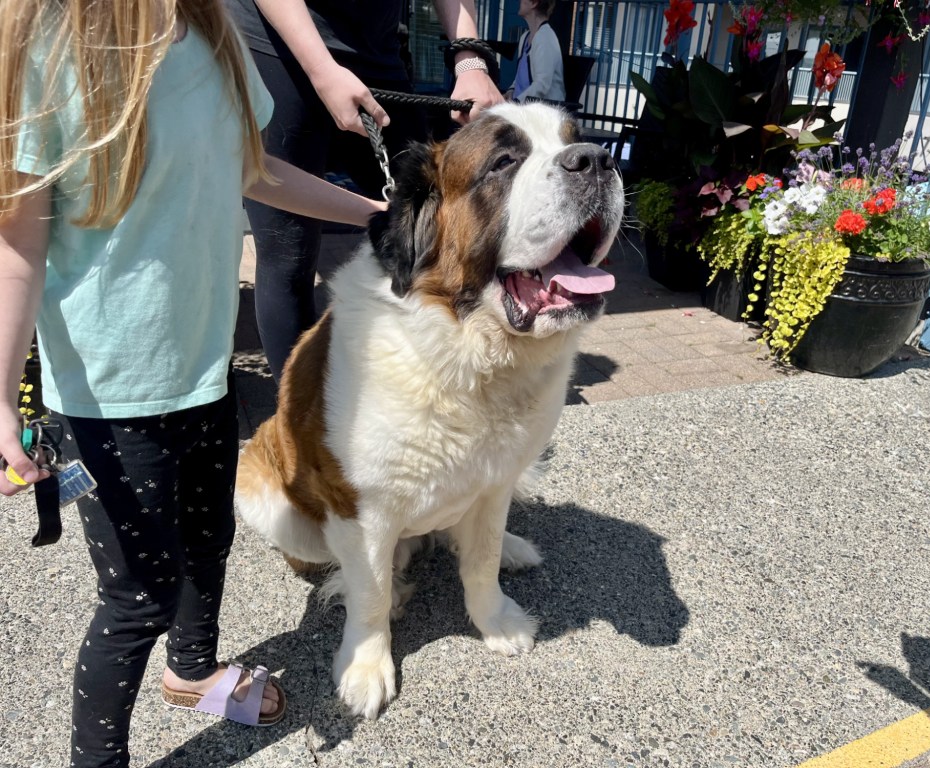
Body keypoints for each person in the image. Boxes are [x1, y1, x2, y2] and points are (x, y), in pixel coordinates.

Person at [0, 1, 387, 766]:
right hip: (105, 397)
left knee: (209, 540)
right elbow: (17, 247)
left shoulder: (215, 36)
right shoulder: (47, 52)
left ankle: (193, 671)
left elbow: (257, 167)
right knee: (137, 595)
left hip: (204, 368)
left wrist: (379, 215)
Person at [226, 0, 505, 380]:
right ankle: (300, 418)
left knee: (442, 230)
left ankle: (443, 380)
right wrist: (323, 70)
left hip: (377, 51)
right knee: (289, 257)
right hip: (276, 47)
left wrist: (470, 60)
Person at [508, 0, 566, 103]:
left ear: (534, 3)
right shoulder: (525, 37)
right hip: (525, 107)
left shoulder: (545, 37)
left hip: (543, 110)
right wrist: (511, 91)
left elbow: (542, 85)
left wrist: (516, 103)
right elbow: (520, 77)